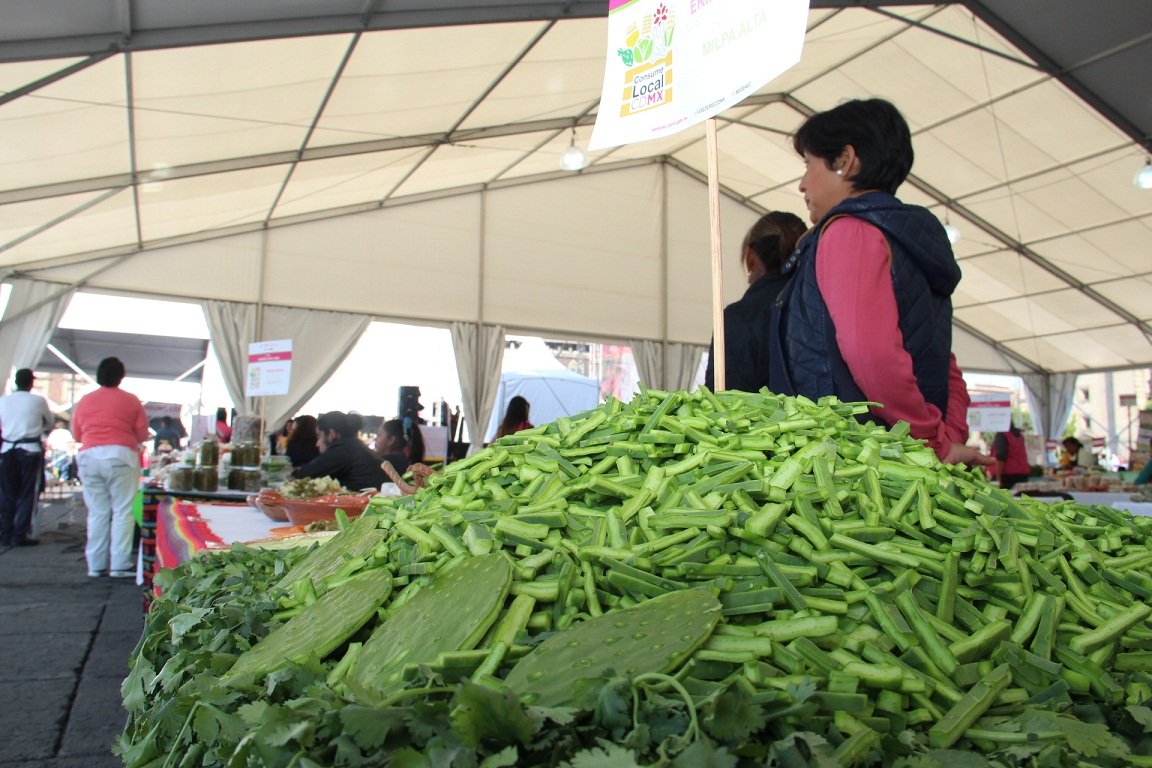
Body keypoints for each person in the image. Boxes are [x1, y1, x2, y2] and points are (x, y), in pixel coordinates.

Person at [769, 98, 991, 468]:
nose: (802, 184)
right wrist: (947, 434)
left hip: (860, 461)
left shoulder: (850, 232)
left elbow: (872, 355)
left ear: (845, 160)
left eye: (808, 164)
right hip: (904, 458)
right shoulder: (907, 236)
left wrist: (928, 440)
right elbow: (939, 354)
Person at [704, 210, 808, 392]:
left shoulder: (736, 318)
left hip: (753, 411)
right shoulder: (821, 310)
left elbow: (721, 398)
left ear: (750, 258)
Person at [71, 357, 150, 578]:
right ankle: (119, 564)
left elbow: (77, 434)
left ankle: (95, 565)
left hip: (89, 457)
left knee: (97, 512)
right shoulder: (131, 400)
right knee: (122, 511)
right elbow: (142, 433)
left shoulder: (85, 400)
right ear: (121, 376)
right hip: (120, 457)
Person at [0, 368, 53, 546]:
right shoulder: (38, 401)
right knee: (27, 492)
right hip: (30, 450)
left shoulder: (3, 400)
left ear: (16, 382)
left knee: (7, 493)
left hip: (7, 449)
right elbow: (49, 423)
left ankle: (5, 533)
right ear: (31, 383)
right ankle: (19, 534)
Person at [292, 411, 387, 491]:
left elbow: (302, 475)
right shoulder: (354, 446)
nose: (317, 444)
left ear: (331, 434)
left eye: (319, 436)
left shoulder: (342, 450)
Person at [992, 424, 1030, 489]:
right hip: (1022, 474)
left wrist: (998, 477)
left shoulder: (1002, 435)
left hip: (1007, 476)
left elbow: (1001, 457)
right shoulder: (1019, 435)